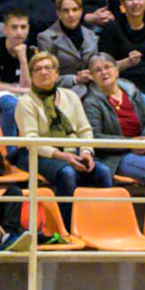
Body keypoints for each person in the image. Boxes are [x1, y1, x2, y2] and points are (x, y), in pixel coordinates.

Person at [13, 50, 113, 223]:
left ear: (57, 73)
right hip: (37, 155)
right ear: (31, 75)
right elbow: (31, 140)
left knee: (103, 171)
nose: (44, 72)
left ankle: (102, 224)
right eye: (38, 69)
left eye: (48, 68)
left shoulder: (71, 96)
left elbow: (85, 130)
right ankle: (65, 228)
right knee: (67, 173)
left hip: (72, 151)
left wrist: (86, 152)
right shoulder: (26, 102)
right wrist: (63, 156)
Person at [80, 52, 145, 187]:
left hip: (143, 145)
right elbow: (95, 137)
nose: (104, 72)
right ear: (92, 77)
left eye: (107, 67)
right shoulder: (91, 102)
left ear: (116, 71)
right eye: (98, 70)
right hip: (118, 155)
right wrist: (130, 143)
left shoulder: (131, 90)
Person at [0, 10, 33, 142]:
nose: (19, 32)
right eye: (14, 27)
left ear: (28, 29)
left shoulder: (29, 52)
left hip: (17, 91)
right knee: (12, 104)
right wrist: (23, 90)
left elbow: (26, 85)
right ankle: (8, 149)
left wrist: (23, 60)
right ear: (5, 29)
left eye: (23, 27)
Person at [36, 0, 99, 80]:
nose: (71, 15)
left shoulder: (90, 34)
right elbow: (46, 75)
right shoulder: (46, 37)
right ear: (58, 13)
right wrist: (75, 79)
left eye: (75, 10)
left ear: (81, 11)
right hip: (65, 86)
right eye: (66, 11)